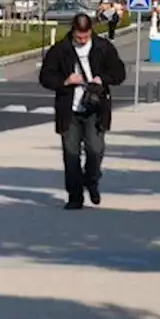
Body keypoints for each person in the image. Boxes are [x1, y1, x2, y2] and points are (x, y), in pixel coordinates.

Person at [38, 13, 127, 209]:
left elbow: (120, 73)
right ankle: (75, 196)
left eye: (85, 37)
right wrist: (65, 82)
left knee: (95, 149)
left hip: (95, 108)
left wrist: (101, 79)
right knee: (71, 154)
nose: (82, 40)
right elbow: (45, 76)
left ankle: (92, 180)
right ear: (72, 31)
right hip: (69, 110)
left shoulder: (103, 48)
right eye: (78, 37)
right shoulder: (61, 50)